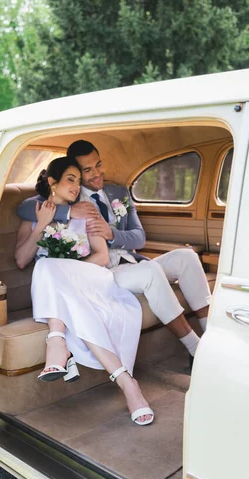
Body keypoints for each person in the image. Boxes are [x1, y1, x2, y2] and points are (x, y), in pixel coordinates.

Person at [18, 140, 211, 367]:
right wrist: (69, 211)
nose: (97, 173)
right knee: (149, 272)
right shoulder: (70, 195)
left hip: (130, 260)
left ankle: (211, 338)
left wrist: (112, 233)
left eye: (98, 165)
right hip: (105, 269)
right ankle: (195, 348)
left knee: (187, 257)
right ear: (75, 172)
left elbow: (139, 237)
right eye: (87, 170)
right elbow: (23, 207)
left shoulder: (118, 191)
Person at [14, 157, 154, 425]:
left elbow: (102, 256)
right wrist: (42, 224)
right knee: (46, 268)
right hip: (59, 290)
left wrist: (70, 272)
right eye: (70, 179)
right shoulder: (34, 213)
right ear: (52, 182)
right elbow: (21, 260)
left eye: (79, 181)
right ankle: (128, 384)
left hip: (92, 278)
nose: (77, 186)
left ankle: (57, 343)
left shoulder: (87, 211)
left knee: (49, 268)